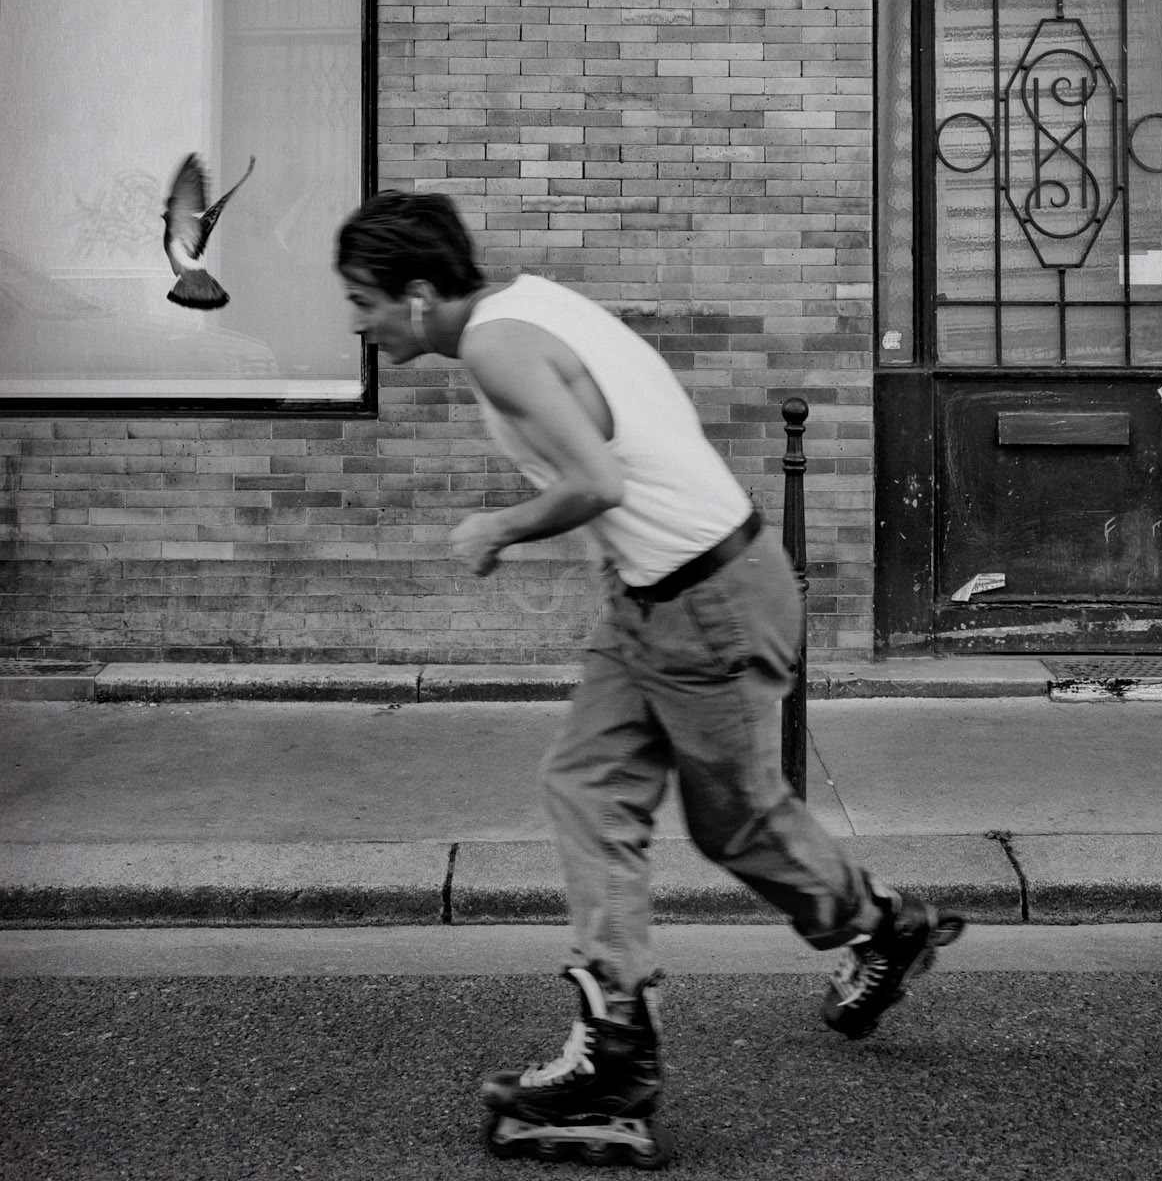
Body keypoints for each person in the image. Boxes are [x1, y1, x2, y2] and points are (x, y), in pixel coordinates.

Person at [335, 191, 963, 1144]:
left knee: (732, 823)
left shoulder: (498, 347)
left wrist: (497, 528)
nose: (358, 324)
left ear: (417, 294)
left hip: (702, 597)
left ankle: (666, 1032)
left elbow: (598, 481)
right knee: (590, 788)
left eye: (364, 300)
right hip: (667, 592)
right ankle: (628, 1034)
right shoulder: (530, 304)